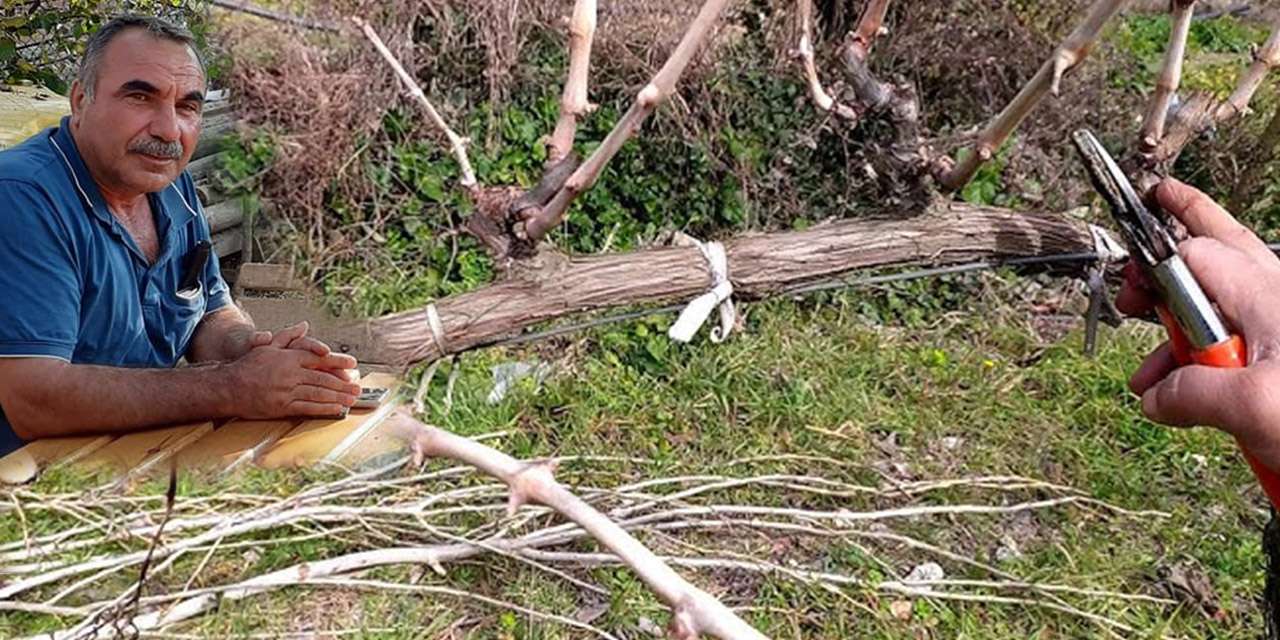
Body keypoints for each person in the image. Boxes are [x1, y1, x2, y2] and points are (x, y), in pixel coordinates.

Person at [0, 15, 361, 458]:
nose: (169, 130)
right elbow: (34, 399)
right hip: (30, 489)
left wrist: (251, 351)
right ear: (80, 100)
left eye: (188, 106)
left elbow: (209, 310)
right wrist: (234, 386)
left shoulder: (169, 185)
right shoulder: (21, 197)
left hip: (131, 458)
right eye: (139, 96)